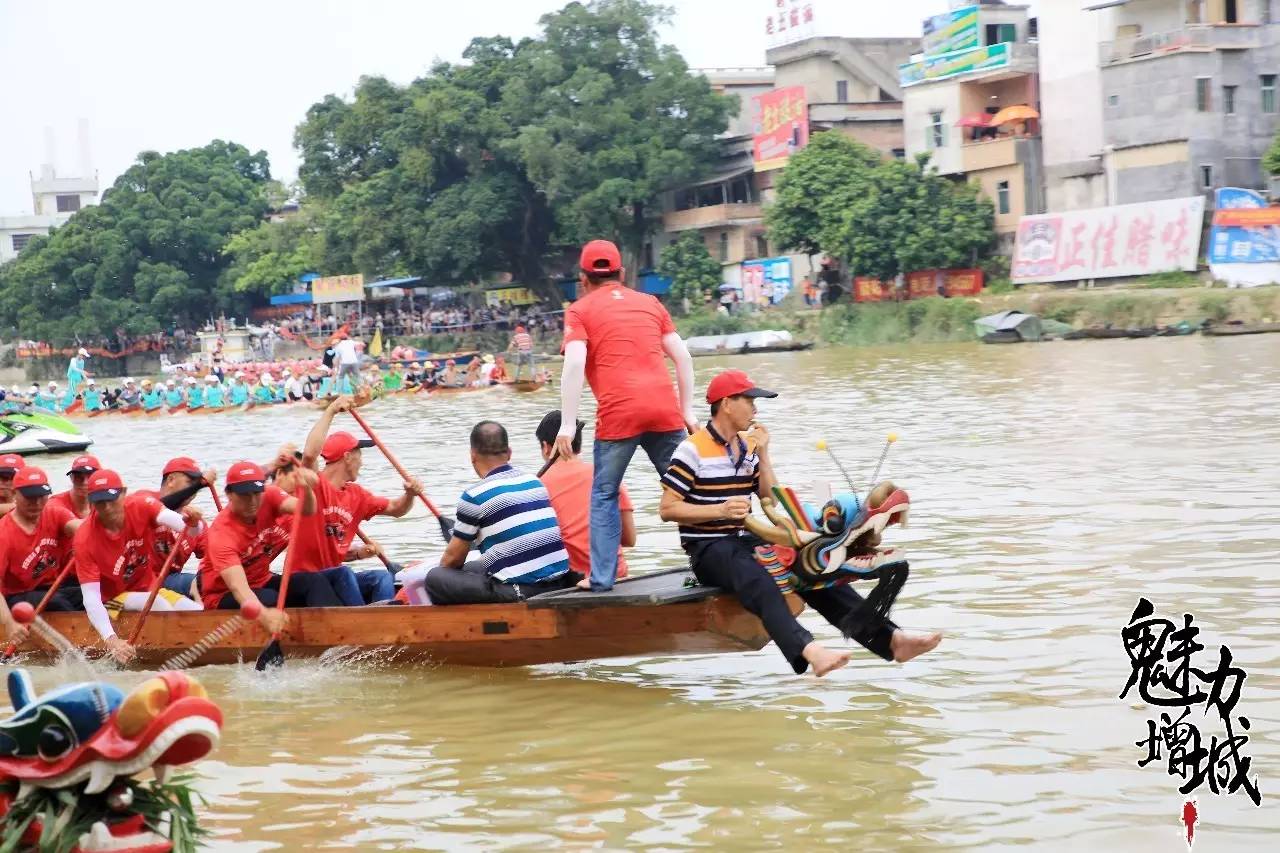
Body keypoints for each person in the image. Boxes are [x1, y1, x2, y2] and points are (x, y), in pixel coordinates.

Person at [659, 370, 942, 677]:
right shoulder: (692, 449)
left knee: (813, 569)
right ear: (727, 404)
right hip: (708, 548)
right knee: (759, 580)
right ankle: (809, 650)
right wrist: (721, 509)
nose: (755, 409)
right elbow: (668, 508)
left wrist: (764, 454)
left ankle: (891, 640)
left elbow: (770, 497)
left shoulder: (746, 446)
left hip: (747, 537)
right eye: (750, 400)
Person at [556, 238, 695, 592]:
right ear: (621, 273)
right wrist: (687, 411)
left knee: (604, 493)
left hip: (619, 414)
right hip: (664, 410)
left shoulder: (579, 310)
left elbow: (574, 363)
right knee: (688, 489)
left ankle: (602, 578)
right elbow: (683, 357)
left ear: (583, 279)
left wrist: (568, 426)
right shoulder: (651, 303)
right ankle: (713, 562)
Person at [402, 421, 576, 605]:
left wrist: (437, 568)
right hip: (561, 581)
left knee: (436, 578)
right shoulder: (534, 482)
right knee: (472, 567)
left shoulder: (474, 496)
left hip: (521, 591)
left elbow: (451, 561)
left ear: (472, 456)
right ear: (509, 453)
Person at [291, 397, 424, 604]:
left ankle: (386, 622)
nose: (362, 462)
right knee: (343, 573)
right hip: (305, 581)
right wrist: (331, 410)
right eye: (359, 455)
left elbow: (397, 509)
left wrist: (410, 494)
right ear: (347, 457)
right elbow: (309, 455)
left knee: (381, 577)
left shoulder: (357, 495)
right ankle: (365, 626)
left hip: (333, 577)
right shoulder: (314, 484)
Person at [73, 469, 205, 664]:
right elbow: (91, 599)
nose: (108, 508)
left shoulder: (141, 505)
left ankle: (192, 654)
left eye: (112, 499)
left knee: (198, 614)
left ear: (123, 493)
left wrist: (194, 523)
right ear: (91, 502)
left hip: (150, 589)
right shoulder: (84, 538)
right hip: (112, 600)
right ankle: (175, 655)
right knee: (160, 606)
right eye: (100, 502)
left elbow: (190, 530)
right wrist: (112, 641)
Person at [198, 460, 345, 621]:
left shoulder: (270, 495)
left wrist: (307, 488)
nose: (253, 501)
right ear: (229, 494)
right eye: (245, 495)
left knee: (313, 581)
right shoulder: (222, 534)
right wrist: (266, 618)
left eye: (256, 493)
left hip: (262, 581)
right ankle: (284, 642)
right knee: (270, 599)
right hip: (222, 596)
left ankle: (337, 632)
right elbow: (240, 589)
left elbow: (307, 509)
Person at [535, 411, 633, 583]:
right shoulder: (608, 474)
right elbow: (629, 538)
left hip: (573, 580)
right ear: (579, 444)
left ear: (546, 446)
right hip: (616, 575)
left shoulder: (538, 486)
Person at [0, 467, 84, 646]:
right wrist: (8, 624)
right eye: (30, 497)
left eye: (41, 496)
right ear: (15, 494)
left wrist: (86, 540)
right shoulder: (4, 533)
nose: (37, 503)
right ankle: (79, 644)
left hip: (50, 587)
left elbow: (79, 527)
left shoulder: (53, 512)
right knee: (59, 602)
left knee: (92, 594)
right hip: (15, 597)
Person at [135, 457, 218, 600]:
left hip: (169, 581)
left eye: (197, 483)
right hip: (137, 581)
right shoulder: (144, 499)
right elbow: (167, 505)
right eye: (190, 482)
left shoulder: (197, 523)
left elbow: (217, 555)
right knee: (198, 583)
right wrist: (200, 485)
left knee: (215, 581)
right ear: (171, 480)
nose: (195, 489)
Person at [48, 454, 99, 520]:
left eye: (90, 477)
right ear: (71, 478)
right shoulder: (54, 505)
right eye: (78, 477)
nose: (85, 482)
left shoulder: (105, 504)